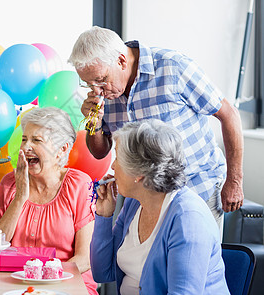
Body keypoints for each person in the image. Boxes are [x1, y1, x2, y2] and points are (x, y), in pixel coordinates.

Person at [68, 26, 244, 229]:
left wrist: (235, 181)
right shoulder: (104, 93)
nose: (96, 91)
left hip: (197, 188)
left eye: (100, 80)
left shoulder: (173, 67)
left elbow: (229, 115)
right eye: (88, 84)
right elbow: (99, 152)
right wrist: (95, 124)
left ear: (122, 61)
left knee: (192, 259)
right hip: (143, 198)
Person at [92, 119, 231, 295]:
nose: (112, 166)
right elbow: (103, 272)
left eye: (117, 158)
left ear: (139, 172)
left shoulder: (188, 219)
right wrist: (104, 215)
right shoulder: (135, 203)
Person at [0, 107, 98, 295]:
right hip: (14, 286)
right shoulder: (9, 183)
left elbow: (84, 259)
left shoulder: (79, 184)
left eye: (36, 140)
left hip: (69, 285)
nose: (25, 147)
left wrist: (42, 281)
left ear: (61, 149)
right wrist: (20, 196)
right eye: (24, 139)